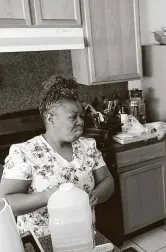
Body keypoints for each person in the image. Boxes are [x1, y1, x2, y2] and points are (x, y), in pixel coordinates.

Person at [0, 75, 114, 238]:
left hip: (84, 235)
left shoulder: (88, 146)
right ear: (50, 118)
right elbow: (5, 202)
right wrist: (47, 196)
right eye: (73, 117)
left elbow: (107, 181)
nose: (81, 121)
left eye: (81, 116)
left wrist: (97, 194)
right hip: (42, 242)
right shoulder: (24, 153)